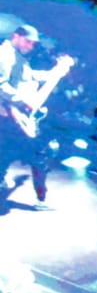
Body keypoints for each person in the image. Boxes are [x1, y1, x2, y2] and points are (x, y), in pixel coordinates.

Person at [0, 24, 68, 209]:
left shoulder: (17, 57)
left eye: (33, 43)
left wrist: (54, 73)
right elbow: (1, 84)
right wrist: (23, 102)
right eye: (28, 41)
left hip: (13, 117)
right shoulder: (4, 54)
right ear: (16, 36)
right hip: (11, 115)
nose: (31, 46)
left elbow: (29, 76)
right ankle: (40, 199)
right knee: (41, 153)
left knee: (6, 152)